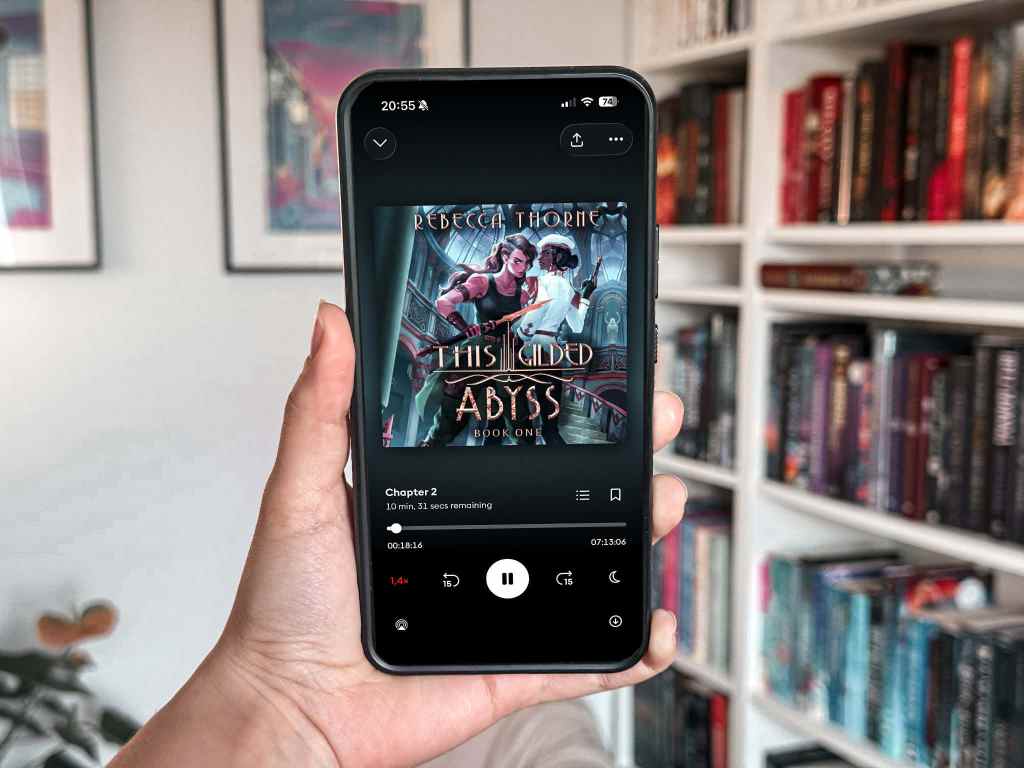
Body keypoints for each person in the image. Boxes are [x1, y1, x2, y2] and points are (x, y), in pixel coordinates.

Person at [109, 301, 686, 768]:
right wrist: (284, 700)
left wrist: (283, 706)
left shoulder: (543, 728)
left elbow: (564, 750)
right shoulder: (476, 320)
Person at [516, 233, 596, 446]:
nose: (540, 257)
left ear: (557, 257)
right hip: (551, 351)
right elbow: (577, 325)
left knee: (518, 405)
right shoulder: (570, 290)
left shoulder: (537, 282)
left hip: (528, 347)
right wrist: (585, 297)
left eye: (545, 253)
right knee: (550, 417)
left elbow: (531, 318)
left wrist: (521, 338)